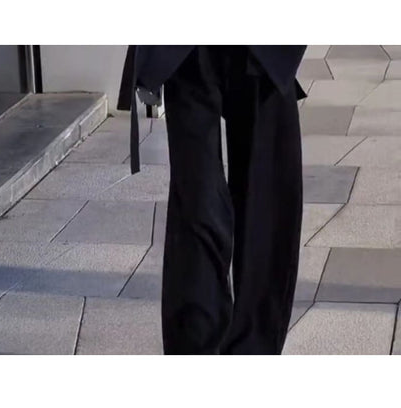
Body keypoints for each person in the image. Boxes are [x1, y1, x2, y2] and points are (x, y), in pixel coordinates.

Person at [117, 45, 307, 355]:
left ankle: (253, 351)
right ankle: (197, 348)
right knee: (197, 208)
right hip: (187, 50)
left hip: (265, 50)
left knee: (266, 203)